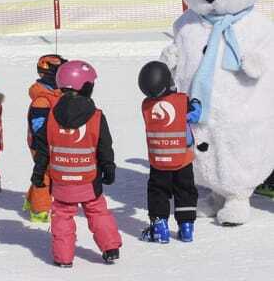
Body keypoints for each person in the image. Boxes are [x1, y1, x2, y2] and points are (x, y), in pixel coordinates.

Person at [31, 60, 122, 267]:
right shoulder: (97, 116)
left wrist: (38, 173)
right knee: (97, 211)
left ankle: (63, 258)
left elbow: (43, 148)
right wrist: (108, 167)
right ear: (85, 86)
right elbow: (104, 146)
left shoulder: (51, 117)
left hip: (61, 181)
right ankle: (110, 247)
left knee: (62, 216)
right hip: (88, 181)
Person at [138, 61, 201, 243]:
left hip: (159, 161)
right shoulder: (182, 102)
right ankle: (186, 227)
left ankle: (160, 228)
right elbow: (196, 114)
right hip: (182, 160)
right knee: (185, 191)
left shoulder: (146, 106)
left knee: (158, 192)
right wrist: (195, 102)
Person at [23, 54, 67, 223]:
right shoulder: (42, 99)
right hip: (41, 143)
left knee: (49, 172)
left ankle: (31, 200)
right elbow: (38, 127)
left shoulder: (58, 93)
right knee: (45, 174)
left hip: (55, 142)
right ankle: (39, 210)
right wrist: (44, 147)